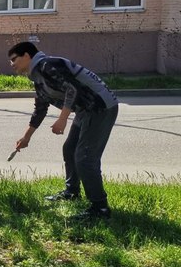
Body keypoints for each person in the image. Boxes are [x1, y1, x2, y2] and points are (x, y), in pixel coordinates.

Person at [8, 41, 119, 220]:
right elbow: (40, 109)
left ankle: (100, 208)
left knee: (85, 158)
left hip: (100, 107)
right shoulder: (38, 77)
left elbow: (71, 88)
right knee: (70, 149)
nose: (11, 64)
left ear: (27, 56)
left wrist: (63, 119)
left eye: (14, 59)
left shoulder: (48, 65)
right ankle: (72, 192)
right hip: (86, 109)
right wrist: (26, 137)